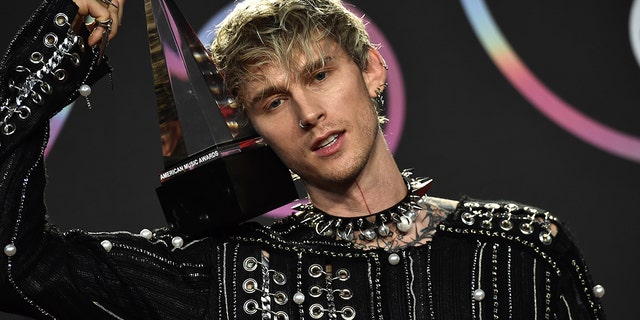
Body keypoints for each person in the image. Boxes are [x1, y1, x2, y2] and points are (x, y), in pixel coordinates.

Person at [0, 0, 606, 319]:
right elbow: (17, 266)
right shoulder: (225, 274)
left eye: (319, 75)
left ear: (371, 69)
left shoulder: (519, 250)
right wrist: (66, 39)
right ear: (254, 130)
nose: (309, 112)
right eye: (273, 100)